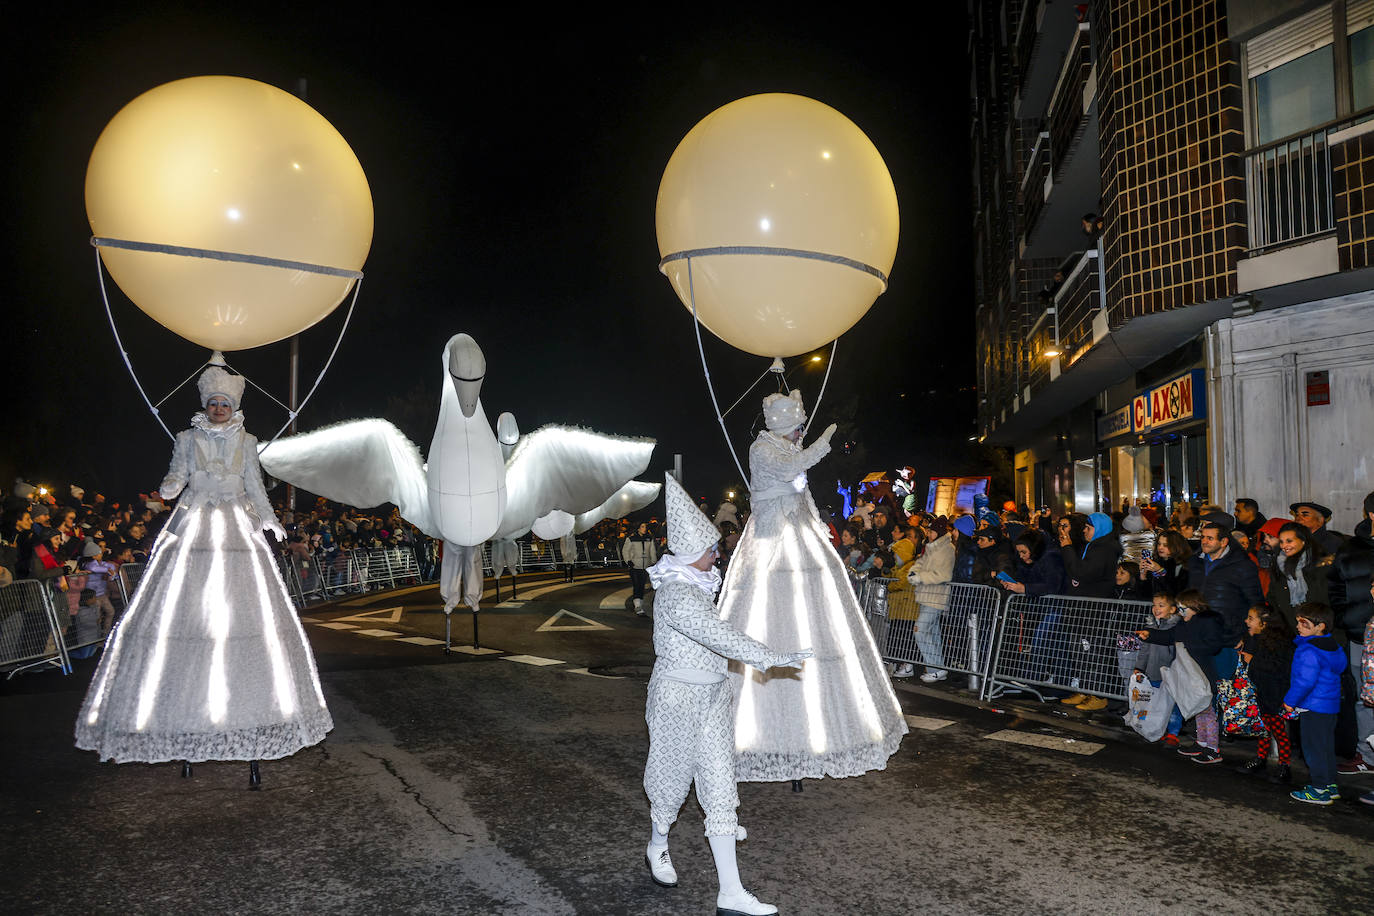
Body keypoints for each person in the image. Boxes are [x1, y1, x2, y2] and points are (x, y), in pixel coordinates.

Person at [75, 367, 332, 788]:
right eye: (212, 403)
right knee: (182, 612)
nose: (217, 409)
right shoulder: (186, 439)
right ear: (204, 405)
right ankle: (183, 719)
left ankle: (247, 718)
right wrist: (170, 486)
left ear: (234, 406)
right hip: (193, 523)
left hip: (235, 525)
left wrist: (270, 522)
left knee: (246, 615)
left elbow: (254, 486)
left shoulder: (247, 443)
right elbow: (177, 474)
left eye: (224, 403)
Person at [642, 473, 811, 916]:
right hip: (677, 700)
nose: (718, 554)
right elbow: (716, 634)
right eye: (712, 549)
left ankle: (731, 894)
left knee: (720, 790)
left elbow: (719, 633)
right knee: (670, 784)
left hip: (714, 699)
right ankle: (658, 842)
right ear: (693, 553)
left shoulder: (700, 585)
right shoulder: (676, 594)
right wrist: (769, 656)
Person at [717, 390, 908, 781]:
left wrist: (818, 526)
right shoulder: (762, 449)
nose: (800, 434)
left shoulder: (784, 448)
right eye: (798, 428)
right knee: (767, 618)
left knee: (819, 622)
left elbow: (801, 489)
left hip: (801, 538)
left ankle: (820, 729)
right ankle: (758, 730)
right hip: (770, 544)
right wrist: (823, 442)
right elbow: (794, 469)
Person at [1137, 588, 1227, 764]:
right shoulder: (1184, 624)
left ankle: (1213, 749)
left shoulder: (1207, 622)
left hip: (1203, 673)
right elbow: (1170, 636)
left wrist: (1189, 646)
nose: (1179, 611)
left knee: (1208, 712)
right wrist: (1150, 635)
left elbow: (1214, 645)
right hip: (1189, 673)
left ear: (1193, 606)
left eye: (1182, 607)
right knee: (1199, 710)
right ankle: (1201, 743)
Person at [1327, 491, 1374, 775]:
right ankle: (1366, 755)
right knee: (1364, 699)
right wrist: (1347, 617)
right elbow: (1335, 587)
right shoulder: (1350, 548)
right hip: (1360, 636)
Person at [1285, 603, 1349, 805]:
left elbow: (1304, 681)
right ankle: (1329, 784)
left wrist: (1289, 701)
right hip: (1329, 706)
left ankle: (1319, 789)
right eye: (1297, 622)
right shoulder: (1334, 647)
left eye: (1304, 623)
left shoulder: (1308, 650)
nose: (1298, 626)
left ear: (1320, 626)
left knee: (1313, 748)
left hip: (1312, 706)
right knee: (1325, 747)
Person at [1234, 606, 1296, 783]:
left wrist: (1253, 661)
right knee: (1263, 729)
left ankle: (1285, 766)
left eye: (1251, 618)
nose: (1247, 621)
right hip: (1262, 692)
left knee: (1278, 731)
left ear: (1265, 623)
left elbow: (1278, 668)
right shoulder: (1260, 639)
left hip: (1274, 694)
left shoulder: (1281, 643)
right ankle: (1261, 759)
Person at [904, 516, 955, 683]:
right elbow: (921, 562)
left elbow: (943, 574)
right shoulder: (931, 547)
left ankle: (936, 668)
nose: (929, 533)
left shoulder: (947, 549)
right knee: (933, 633)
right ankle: (936, 668)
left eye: (932, 531)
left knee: (920, 630)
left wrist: (919, 577)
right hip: (926, 596)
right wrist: (914, 572)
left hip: (937, 596)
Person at [1133, 592, 1183, 746]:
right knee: (1154, 703)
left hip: (1170, 673)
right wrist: (1139, 667)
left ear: (1173, 609)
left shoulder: (1176, 628)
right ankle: (1157, 728)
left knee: (1172, 704)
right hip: (1152, 672)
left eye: (1161, 605)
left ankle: (1173, 733)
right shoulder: (1150, 626)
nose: (1156, 608)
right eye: (1154, 605)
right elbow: (1145, 649)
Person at [1265, 522, 1331, 630]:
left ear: (1303, 541)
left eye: (1289, 541)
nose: (1284, 546)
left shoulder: (1321, 566)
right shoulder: (1278, 565)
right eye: (1281, 542)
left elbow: (1328, 601)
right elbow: (1273, 598)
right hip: (1291, 631)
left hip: (1319, 631)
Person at [1060, 512, 1121, 597]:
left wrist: (1067, 547)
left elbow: (1080, 573)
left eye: (1088, 528)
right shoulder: (1098, 546)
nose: (1084, 530)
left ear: (1099, 529)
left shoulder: (1103, 550)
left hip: (1094, 603)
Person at [621, 522, 659, 616]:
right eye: (642, 526)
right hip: (634, 566)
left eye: (645, 526)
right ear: (638, 528)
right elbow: (625, 551)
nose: (644, 528)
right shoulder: (631, 538)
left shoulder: (649, 538)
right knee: (637, 585)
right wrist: (628, 561)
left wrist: (654, 562)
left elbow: (652, 551)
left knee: (641, 586)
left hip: (646, 567)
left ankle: (639, 605)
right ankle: (638, 606)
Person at [1139, 529, 1190, 597]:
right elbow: (1144, 595)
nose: (1160, 547)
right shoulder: (1155, 562)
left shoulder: (1183, 564)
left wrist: (1160, 571)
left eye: (1165, 545)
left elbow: (1175, 593)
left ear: (1176, 546)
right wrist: (1143, 575)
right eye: (1159, 544)